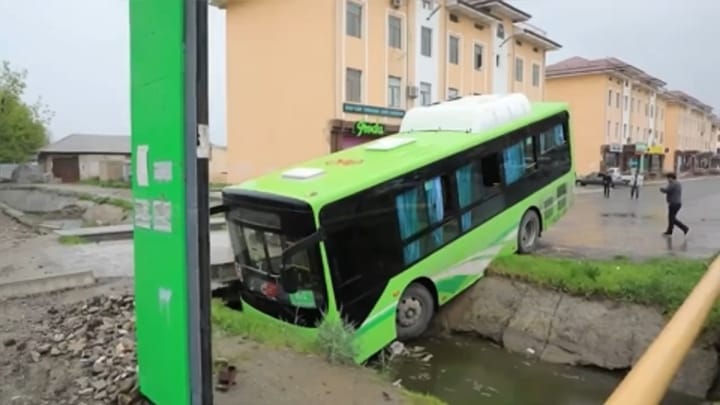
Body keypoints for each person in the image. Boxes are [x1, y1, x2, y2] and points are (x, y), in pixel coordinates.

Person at [660, 172, 689, 237]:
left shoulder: (673, 183)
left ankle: (684, 228)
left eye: (668, 178)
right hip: (677, 203)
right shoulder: (678, 183)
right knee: (671, 218)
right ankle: (669, 231)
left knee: (672, 219)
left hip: (674, 203)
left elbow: (666, 190)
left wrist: (661, 189)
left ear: (671, 178)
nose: (667, 180)